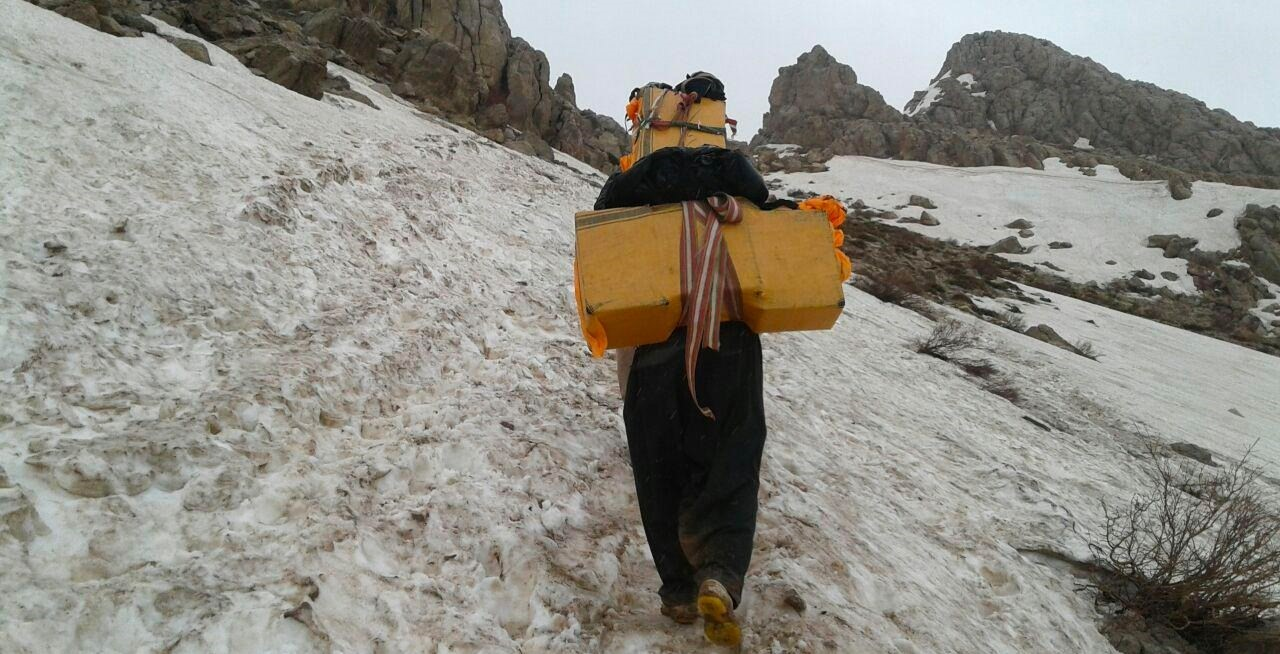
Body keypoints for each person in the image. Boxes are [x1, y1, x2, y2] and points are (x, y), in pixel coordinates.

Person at [616, 318, 767, 649]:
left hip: (652, 340)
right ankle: (720, 570)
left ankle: (680, 589)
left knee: (659, 472)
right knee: (732, 459)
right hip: (729, 339)